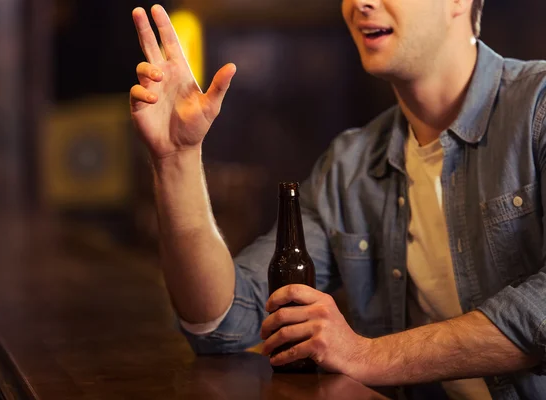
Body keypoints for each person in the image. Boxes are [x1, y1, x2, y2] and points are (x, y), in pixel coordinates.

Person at [129, 0, 546, 398]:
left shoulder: (537, 108)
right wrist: (177, 160)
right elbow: (225, 324)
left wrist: (367, 354)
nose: (360, 5)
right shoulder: (350, 167)